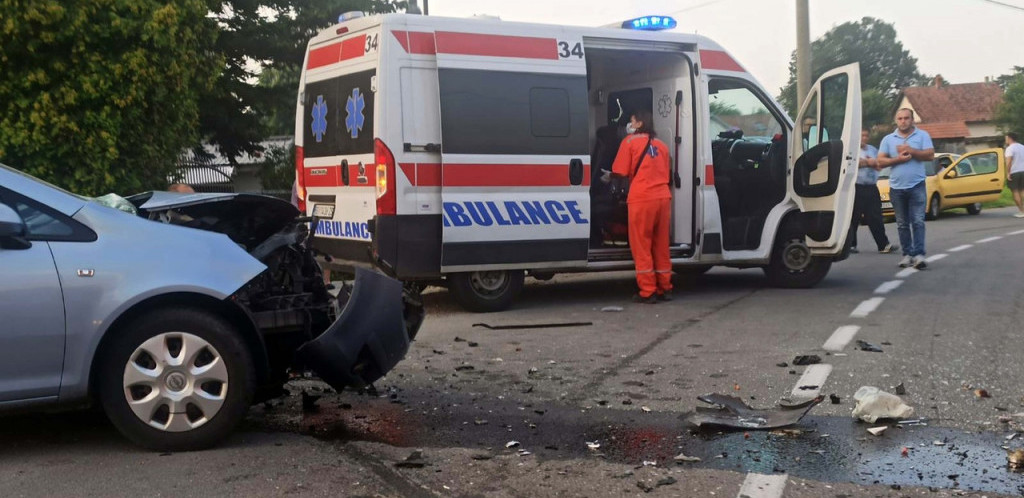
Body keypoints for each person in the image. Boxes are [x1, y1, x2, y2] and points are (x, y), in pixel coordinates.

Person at [611, 110, 672, 303]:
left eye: (631, 120)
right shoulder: (661, 145)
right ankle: (665, 286)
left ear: (638, 124)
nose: (629, 124)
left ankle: (648, 290)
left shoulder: (629, 142)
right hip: (663, 197)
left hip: (642, 198)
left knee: (641, 245)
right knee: (661, 244)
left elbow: (619, 170)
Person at [877, 108, 934, 269]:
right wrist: (898, 159)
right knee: (902, 223)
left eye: (906, 118)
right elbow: (880, 161)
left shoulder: (922, 135)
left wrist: (912, 151)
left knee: (918, 221)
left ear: (912, 120)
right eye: (900, 118)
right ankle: (907, 254)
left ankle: (919, 255)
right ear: (896, 120)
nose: (903, 121)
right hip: (896, 187)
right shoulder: (888, 139)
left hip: (917, 185)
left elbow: (930, 155)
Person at [848, 129, 897, 254]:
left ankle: (883, 245)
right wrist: (867, 162)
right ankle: (850, 244)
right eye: (862, 135)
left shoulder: (872, 150)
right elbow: (851, 164)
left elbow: (879, 164)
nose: (864, 138)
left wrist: (873, 163)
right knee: (853, 217)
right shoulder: (851, 149)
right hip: (856, 187)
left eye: (866, 135)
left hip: (871, 186)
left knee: (875, 217)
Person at [1005, 132, 1024, 218]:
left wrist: (1008, 172)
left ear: (1009, 138)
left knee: (1015, 192)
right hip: (1023, 171)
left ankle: (1021, 211)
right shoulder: (1022, 147)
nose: (1005, 140)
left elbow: (1009, 161)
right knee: (1022, 191)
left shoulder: (1010, 148)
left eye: (1006, 138)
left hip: (1015, 172)